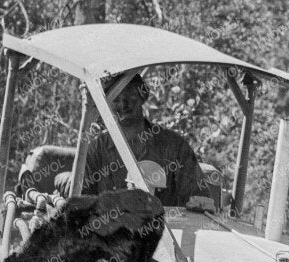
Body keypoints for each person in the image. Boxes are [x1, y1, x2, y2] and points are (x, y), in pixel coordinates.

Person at [21, 72, 213, 208]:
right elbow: (80, 198)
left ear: (143, 96)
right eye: (116, 98)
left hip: (167, 248)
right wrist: (63, 181)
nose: (123, 104)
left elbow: (199, 198)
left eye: (130, 96)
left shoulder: (174, 146)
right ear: (107, 103)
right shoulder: (98, 148)